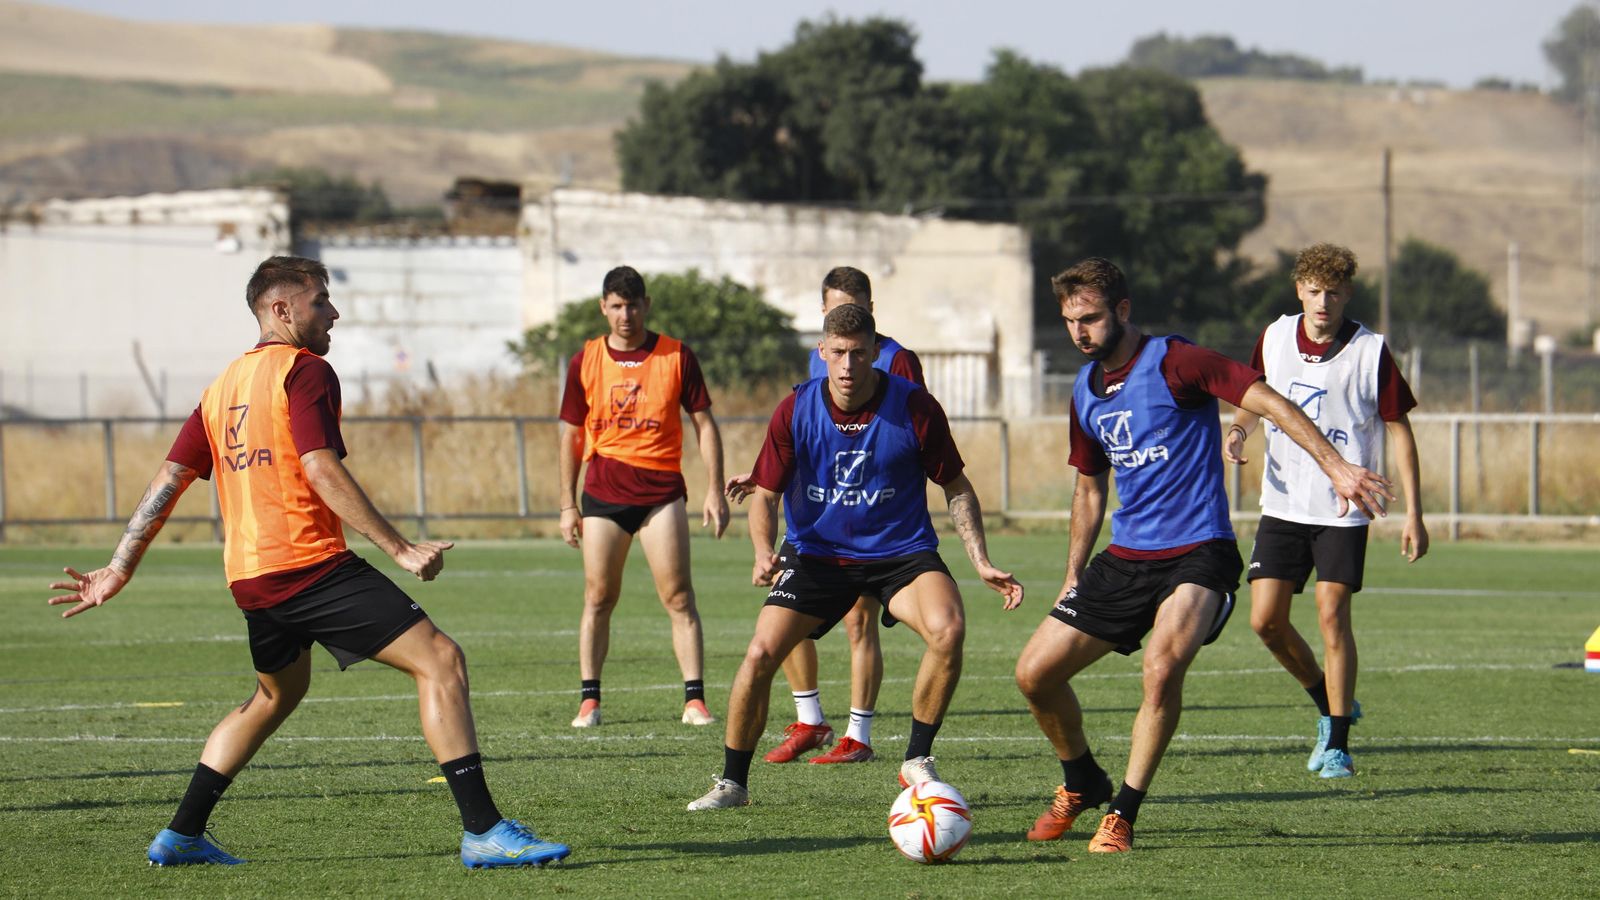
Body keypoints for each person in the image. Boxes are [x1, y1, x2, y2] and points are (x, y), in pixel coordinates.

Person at [47, 256, 568, 869]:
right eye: (322, 301)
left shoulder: (221, 389)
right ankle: (483, 830)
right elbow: (319, 466)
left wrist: (119, 565)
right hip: (308, 566)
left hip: (251, 579)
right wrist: (400, 547)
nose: (333, 314)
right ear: (281, 310)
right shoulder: (305, 371)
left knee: (274, 696)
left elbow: (171, 477)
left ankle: (181, 835)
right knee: (441, 660)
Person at [1013, 257, 1393, 854]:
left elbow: (1268, 401)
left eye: (1089, 318)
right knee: (1033, 675)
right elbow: (1089, 489)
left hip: (1198, 553)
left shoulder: (1176, 361)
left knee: (1161, 669)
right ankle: (1082, 778)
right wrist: (1070, 577)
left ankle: (1123, 813)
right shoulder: (1084, 392)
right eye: (1069, 321)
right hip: (1125, 557)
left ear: (1123, 311)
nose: (1078, 332)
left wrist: (1337, 466)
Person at [687, 302, 1023, 811]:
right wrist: (761, 551)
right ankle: (732, 783)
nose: (847, 366)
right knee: (758, 656)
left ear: (876, 354)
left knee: (948, 628)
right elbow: (767, 494)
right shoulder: (796, 408)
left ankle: (916, 759)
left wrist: (980, 560)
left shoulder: (914, 407)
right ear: (821, 351)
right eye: (838, 353)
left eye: (859, 353)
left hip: (901, 554)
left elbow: (956, 485)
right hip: (818, 556)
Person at [1225, 243, 1428, 779]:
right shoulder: (1273, 338)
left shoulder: (1370, 351)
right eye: (1314, 291)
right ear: (1299, 291)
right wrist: (1239, 429)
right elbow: (1252, 397)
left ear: (1348, 295)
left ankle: (1337, 743)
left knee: (1332, 616)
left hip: (1343, 507)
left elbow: (1398, 428)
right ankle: (1326, 698)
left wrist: (1415, 513)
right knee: (1265, 621)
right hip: (1285, 501)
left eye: (1333, 292)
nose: (1323, 302)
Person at [726, 266, 924, 766]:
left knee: (860, 622)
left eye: (852, 307)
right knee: (787, 619)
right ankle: (810, 720)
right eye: (834, 309)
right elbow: (802, 436)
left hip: (870, 522)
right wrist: (761, 479)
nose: (847, 359)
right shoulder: (821, 359)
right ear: (823, 320)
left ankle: (859, 733)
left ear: (871, 313)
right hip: (813, 519)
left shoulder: (897, 362)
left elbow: (905, 441)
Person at [557, 265, 728, 729]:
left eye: (632, 304)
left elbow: (704, 423)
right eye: (615, 305)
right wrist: (567, 503)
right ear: (603, 308)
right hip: (603, 494)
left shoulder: (676, 355)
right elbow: (570, 433)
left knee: (677, 596)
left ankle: (694, 700)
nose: (625, 314)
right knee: (598, 596)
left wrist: (715, 488)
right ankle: (589, 700)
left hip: (661, 494)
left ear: (646, 305)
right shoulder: (586, 360)